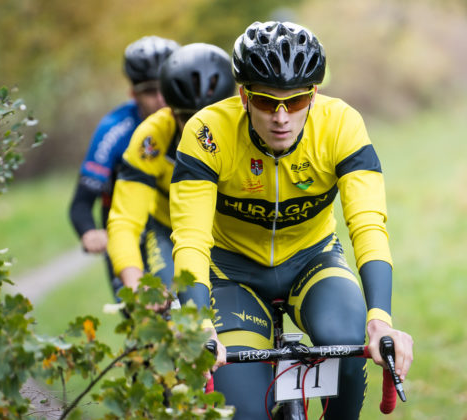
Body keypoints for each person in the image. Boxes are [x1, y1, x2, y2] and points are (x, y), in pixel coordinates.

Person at [169, 21, 414, 419]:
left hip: (312, 260)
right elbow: (190, 238)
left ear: (313, 95)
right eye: (267, 103)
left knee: (346, 342)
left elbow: (368, 224)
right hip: (233, 273)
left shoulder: (341, 124)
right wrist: (199, 324)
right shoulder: (207, 133)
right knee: (246, 411)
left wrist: (381, 321)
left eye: (296, 102)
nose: (281, 117)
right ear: (244, 96)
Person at [106, 43, 236, 303]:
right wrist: (135, 284)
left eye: (209, 117)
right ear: (170, 110)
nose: (199, 129)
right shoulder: (152, 136)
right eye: (187, 118)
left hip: (229, 235)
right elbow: (125, 221)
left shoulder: (247, 131)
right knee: (174, 304)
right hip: (168, 230)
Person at [69, 36, 179, 299]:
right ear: (132, 93)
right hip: (127, 230)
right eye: (150, 91)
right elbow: (81, 202)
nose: (161, 99)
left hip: (173, 228)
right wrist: (89, 232)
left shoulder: (194, 120)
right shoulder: (114, 129)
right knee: (142, 309)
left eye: (167, 88)